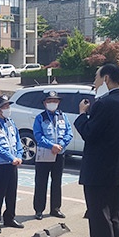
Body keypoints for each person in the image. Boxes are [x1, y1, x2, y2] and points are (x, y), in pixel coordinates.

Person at [74, 63, 119, 237]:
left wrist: (82, 115)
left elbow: (90, 133)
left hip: (99, 172)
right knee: (115, 217)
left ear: (106, 78)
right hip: (118, 171)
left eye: (96, 77)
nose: (95, 82)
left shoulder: (104, 103)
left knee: (100, 220)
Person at [0, 95, 24, 233]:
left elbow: (18, 140)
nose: (8, 109)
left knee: (12, 192)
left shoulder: (10, 122)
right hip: (0, 164)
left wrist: (19, 155)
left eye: (8, 106)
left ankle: (10, 217)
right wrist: (10, 157)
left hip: (13, 163)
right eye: (4, 106)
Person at [32, 90, 73, 220]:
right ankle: (39, 210)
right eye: (49, 101)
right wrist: (52, 146)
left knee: (57, 182)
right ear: (44, 103)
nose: (52, 103)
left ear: (59, 102)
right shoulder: (40, 117)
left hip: (59, 154)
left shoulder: (63, 116)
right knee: (41, 182)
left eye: (55, 101)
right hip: (45, 154)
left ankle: (55, 208)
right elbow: (38, 135)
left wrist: (60, 144)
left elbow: (69, 133)